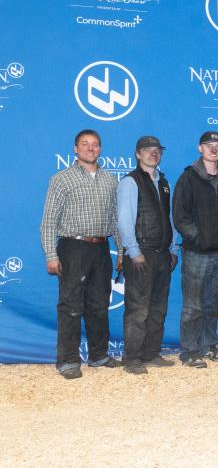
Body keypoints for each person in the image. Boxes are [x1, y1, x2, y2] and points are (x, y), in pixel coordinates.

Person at [40, 129, 122, 379]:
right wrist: (51, 255)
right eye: (85, 144)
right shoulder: (61, 179)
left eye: (95, 144)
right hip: (72, 248)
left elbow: (116, 220)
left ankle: (98, 355)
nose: (90, 148)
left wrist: (121, 250)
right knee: (71, 305)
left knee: (99, 304)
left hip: (101, 247)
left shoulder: (110, 180)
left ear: (100, 149)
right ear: (75, 149)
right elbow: (48, 221)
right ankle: (67, 361)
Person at [172, 131, 218, 368]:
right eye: (208, 145)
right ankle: (190, 351)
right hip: (197, 253)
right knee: (193, 306)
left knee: (214, 304)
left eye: (217, 145)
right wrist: (198, 238)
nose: (213, 148)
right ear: (200, 148)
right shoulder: (188, 178)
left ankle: (209, 345)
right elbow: (180, 216)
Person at [117, 136, 179, 375]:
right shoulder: (130, 181)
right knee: (138, 309)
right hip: (141, 254)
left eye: (157, 150)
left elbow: (170, 218)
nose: (154, 153)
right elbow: (124, 219)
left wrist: (173, 248)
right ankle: (132, 358)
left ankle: (151, 353)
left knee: (158, 308)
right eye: (148, 150)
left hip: (162, 254)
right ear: (138, 154)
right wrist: (134, 251)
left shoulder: (163, 182)